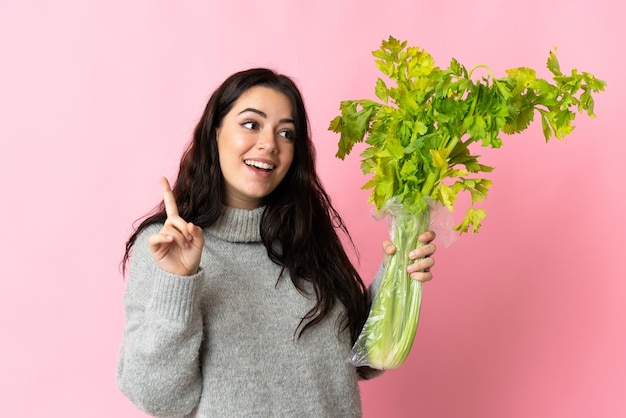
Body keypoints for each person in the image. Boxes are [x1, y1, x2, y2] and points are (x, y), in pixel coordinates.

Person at [117, 68, 437, 417]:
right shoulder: (165, 249)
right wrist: (177, 284)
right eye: (251, 125)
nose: (270, 144)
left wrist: (399, 275)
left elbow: (361, 360)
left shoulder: (307, 239)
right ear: (215, 132)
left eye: (286, 133)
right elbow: (158, 399)